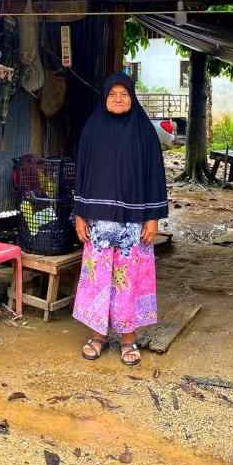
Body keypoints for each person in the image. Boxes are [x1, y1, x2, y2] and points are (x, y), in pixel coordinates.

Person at [72, 72, 168, 366]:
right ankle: (98, 336)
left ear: (132, 97)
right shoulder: (92, 129)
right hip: (99, 222)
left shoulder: (144, 131)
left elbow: (155, 174)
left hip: (134, 223)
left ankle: (128, 340)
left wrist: (153, 218)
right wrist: (80, 215)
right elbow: (83, 172)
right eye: (112, 94)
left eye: (124, 94)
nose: (118, 99)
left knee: (129, 280)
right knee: (98, 279)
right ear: (105, 98)